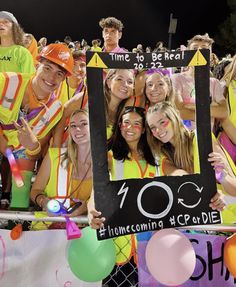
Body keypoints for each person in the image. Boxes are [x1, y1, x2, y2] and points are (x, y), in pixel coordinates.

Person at [0, 43, 74, 209]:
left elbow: (34, 152)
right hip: (3, 140)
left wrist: (32, 147)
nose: (51, 78)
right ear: (37, 65)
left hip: (17, 151)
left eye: (59, 73)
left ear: (63, 79)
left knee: (21, 186)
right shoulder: (6, 81)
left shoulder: (56, 110)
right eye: (47, 68)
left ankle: (16, 226)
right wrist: (2, 143)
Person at [146, 101, 236, 220]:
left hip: (228, 220)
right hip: (199, 225)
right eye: (153, 128)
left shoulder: (202, 139)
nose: (158, 130)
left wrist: (221, 177)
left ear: (174, 118)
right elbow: (181, 177)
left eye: (162, 122)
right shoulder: (163, 155)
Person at [31, 109, 92, 229]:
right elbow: (35, 191)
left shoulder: (106, 162)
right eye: (73, 125)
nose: (77, 129)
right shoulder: (54, 156)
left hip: (84, 233)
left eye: (84, 124)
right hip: (47, 230)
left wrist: (87, 207)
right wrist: (44, 202)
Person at [171, 33, 227, 131]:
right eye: (195, 48)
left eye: (204, 48)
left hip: (207, 140)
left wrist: (192, 107)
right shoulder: (176, 79)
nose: (199, 52)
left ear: (210, 55)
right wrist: (211, 110)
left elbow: (223, 111)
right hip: (184, 137)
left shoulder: (214, 83)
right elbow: (179, 111)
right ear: (188, 53)